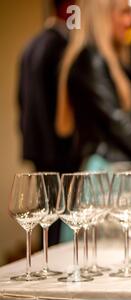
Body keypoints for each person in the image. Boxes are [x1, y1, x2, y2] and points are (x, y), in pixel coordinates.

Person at [56, 0, 131, 169]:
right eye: (124, 12)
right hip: (106, 171)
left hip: (117, 168)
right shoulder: (89, 59)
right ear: (102, 16)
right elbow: (117, 122)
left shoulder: (110, 60)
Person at [17, 0, 75, 246]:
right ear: (68, 8)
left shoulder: (32, 44)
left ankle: (48, 264)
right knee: (59, 217)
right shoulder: (60, 45)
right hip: (58, 147)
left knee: (47, 216)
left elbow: (20, 99)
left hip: (37, 145)